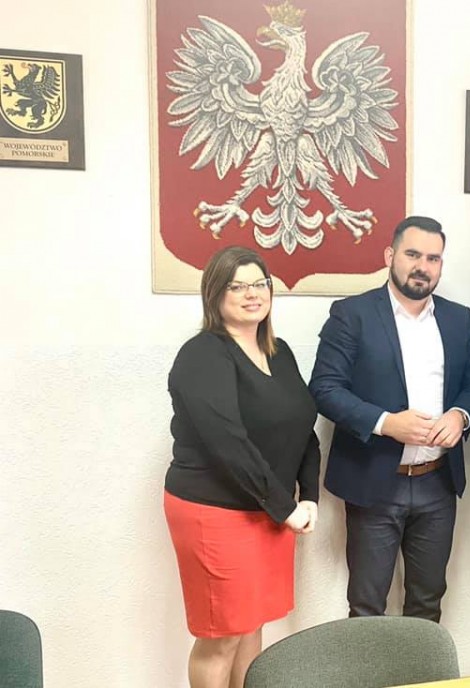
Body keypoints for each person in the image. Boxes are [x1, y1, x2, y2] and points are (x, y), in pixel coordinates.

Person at [309, 215, 470, 622]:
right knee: (367, 607)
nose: (423, 266)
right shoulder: (352, 314)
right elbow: (325, 388)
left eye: (433, 258)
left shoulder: (458, 319)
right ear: (390, 255)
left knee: (427, 604)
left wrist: (460, 416)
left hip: (437, 483)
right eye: (413, 254)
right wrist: (386, 423)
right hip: (374, 483)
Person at [163, 246, 320, 688]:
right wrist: (285, 507)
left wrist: (309, 495)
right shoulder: (202, 355)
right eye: (238, 286)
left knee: (252, 625)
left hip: (268, 509)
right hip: (215, 511)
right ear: (215, 294)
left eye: (260, 284)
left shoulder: (279, 351)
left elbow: (303, 425)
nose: (253, 294)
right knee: (222, 635)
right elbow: (227, 443)